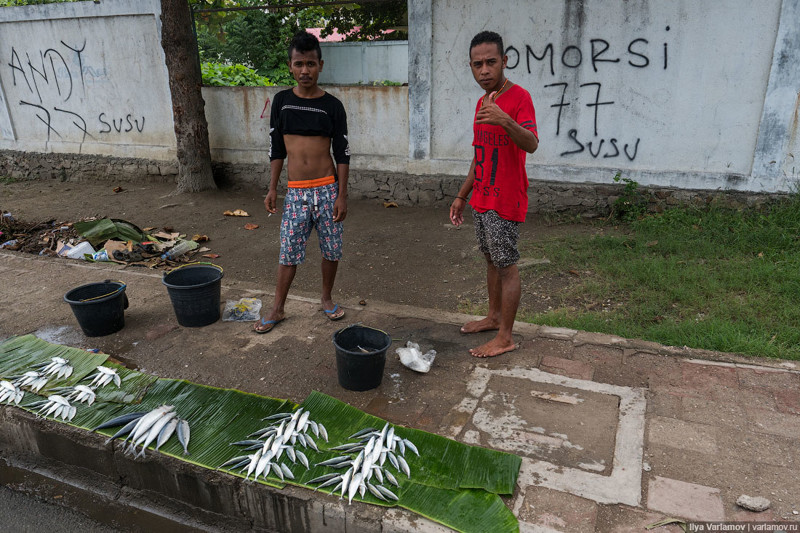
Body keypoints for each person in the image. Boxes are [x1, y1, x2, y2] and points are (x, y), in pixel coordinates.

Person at [449, 31, 539, 357]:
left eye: (490, 62)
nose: (484, 70)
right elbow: (480, 154)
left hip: (505, 200)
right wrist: (462, 195)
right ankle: (493, 316)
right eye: (477, 64)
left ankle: (505, 337)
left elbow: (531, 142)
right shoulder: (481, 102)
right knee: (490, 259)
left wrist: (504, 120)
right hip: (482, 198)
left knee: (507, 266)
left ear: (504, 60)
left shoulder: (519, 98)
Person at [255, 30, 350, 333]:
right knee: (288, 252)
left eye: (310, 64)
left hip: (327, 189)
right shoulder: (282, 102)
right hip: (295, 193)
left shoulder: (333, 106)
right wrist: (272, 187)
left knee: (331, 250)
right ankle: (277, 308)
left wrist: (342, 195)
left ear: (320, 65)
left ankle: (326, 298)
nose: (305, 70)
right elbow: (277, 150)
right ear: (290, 66)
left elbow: (343, 153)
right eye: (299, 64)